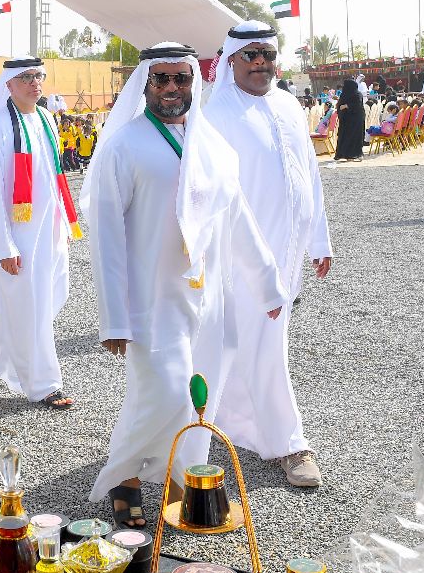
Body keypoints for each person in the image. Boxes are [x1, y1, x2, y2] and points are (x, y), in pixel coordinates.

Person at [81, 43, 286, 528]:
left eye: (180, 79)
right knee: (161, 393)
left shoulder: (211, 143)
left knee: (199, 396)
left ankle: (179, 483)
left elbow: (238, 219)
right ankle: (124, 480)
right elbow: (105, 238)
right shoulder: (124, 146)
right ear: (146, 86)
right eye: (161, 80)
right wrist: (114, 316)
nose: (172, 88)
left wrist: (269, 286)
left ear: (193, 81)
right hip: (152, 300)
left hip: (210, 298)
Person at [204, 22, 334, 488]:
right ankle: (289, 443)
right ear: (232, 60)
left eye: (267, 54)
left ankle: (235, 420)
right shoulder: (217, 112)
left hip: (291, 247)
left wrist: (318, 239)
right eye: (250, 54)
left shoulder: (288, 104)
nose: (261, 62)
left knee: (254, 342)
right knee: (267, 342)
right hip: (244, 255)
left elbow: (309, 175)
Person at [0, 57, 80, 410]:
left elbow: (52, 174)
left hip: (49, 230)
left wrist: (62, 224)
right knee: (28, 308)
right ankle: (44, 384)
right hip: (18, 235)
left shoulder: (45, 118)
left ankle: (1, 355)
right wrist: (4, 243)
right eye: (26, 77)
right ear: (9, 85)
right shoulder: (0, 126)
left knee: (34, 305)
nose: (35, 83)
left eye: (38, 76)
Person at [334, 78, 366, 162]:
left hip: (356, 119)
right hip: (346, 120)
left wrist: (347, 106)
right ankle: (344, 154)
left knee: (355, 137)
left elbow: (357, 105)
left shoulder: (357, 94)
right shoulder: (344, 94)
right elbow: (340, 104)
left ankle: (355, 154)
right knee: (345, 136)